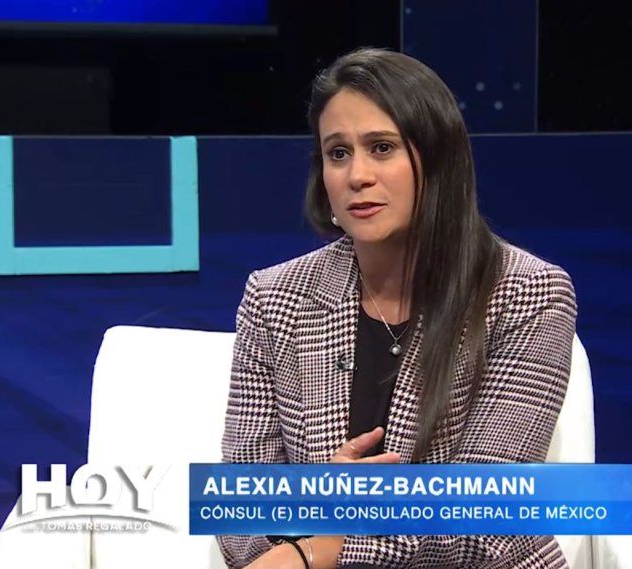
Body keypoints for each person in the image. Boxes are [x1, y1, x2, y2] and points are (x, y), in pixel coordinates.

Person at [218, 47, 577, 568]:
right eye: (338, 153)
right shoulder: (275, 298)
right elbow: (239, 509)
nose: (357, 175)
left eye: (382, 148)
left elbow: (486, 522)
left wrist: (324, 542)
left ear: (437, 160)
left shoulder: (526, 293)